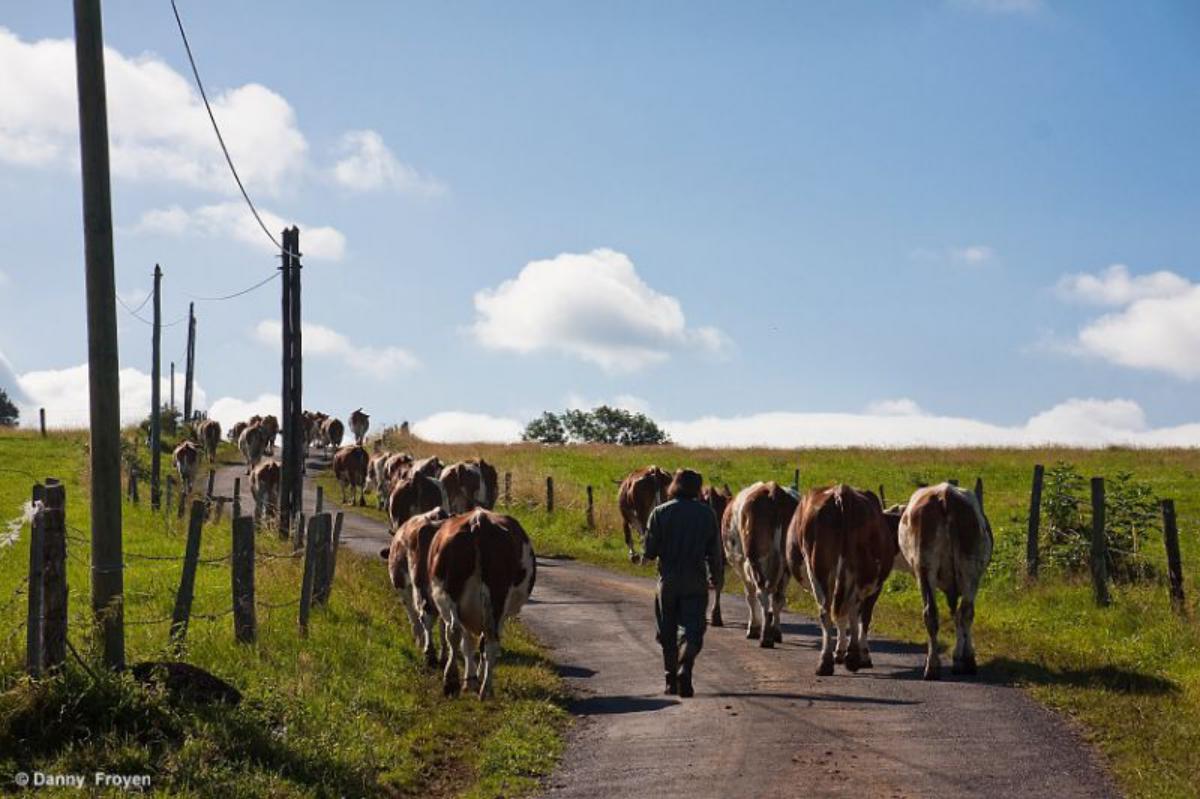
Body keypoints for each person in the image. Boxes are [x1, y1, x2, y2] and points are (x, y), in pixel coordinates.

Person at [643, 468, 723, 698]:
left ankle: (670, 681)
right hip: (695, 580)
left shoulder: (659, 513)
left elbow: (649, 551)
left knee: (667, 631)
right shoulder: (707, 514)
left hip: (667, 581)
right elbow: (715, 553)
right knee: (693, 628)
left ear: (674, 486)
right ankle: (685, 666)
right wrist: (716, 577)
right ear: (697, 488)